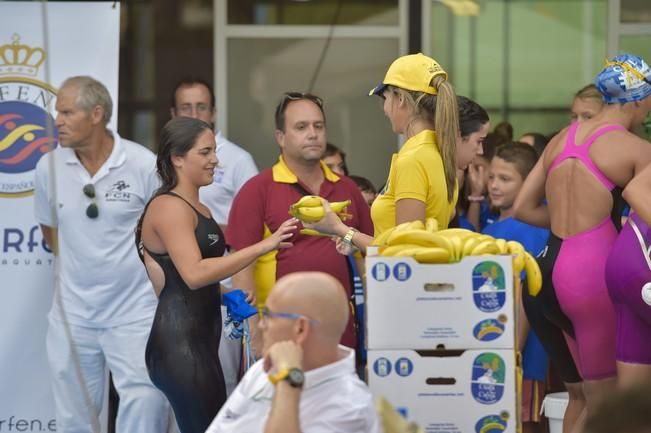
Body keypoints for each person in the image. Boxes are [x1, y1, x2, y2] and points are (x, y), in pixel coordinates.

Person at [136, 117, 297, 433]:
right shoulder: (169, 207)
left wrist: (227, 296)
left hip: (198, 342)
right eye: (206, 152)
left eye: (214, 151)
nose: (215, 161)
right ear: (178, 159)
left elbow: (184, 280)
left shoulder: (200, 208)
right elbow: (194, 274)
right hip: (178, 346)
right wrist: (262, 246)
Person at [513, 53, 651, 421]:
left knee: (579, 400)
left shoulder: (561, 139)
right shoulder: (636, 149)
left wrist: (565, 219)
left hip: (544, 271)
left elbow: (522, 208)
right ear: (638, 100)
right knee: (607, 408)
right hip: (589, 278)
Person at [33, 76, 170, 433]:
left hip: (135, 312)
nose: (57, 120)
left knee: (147, 401)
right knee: (75, 418)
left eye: (66, 111)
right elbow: (52, 235)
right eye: (56, 111)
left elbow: (165, 231)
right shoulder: (47, 168)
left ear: (96, 114)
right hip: (72, 316)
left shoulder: (142, 164)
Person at [226, 92, 373, 349]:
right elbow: (241, 268)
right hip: (278, 338)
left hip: (340, 337)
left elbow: (368, 264)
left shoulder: (347, 190)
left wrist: (376, 328)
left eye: (319, 126)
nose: (313, 134)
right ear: (280, 137)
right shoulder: (257, 190)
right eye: (301, 127)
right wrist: (256, 337)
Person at [307, 53, 464, 251]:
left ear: (400, 99)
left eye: (385, 97)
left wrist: (339, 228)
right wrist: (356, 240)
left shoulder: (413, 160)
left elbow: (403, 254)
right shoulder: (439, 154)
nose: (384, 109)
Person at [205, 272, 381, 433]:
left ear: (301, 329)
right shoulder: (262, 370)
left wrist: (289, 380)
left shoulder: (350, 406)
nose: (261, 325)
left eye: (268, 315)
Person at [170, 77, 258, 395]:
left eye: (201, 107)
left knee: (221, 380)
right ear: (173, 113)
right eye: (186, 107)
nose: (194, 114)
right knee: (177, 383)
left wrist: (203, 230)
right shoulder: (167, 160)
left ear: (214, 112)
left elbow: (253, 224)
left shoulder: (237, 159)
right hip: (172, 289)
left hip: (220, 285)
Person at [481, 143, 549, 433]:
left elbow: (524, 298)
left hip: (524, 357)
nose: (494, 186)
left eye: (505, 179)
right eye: (491, 177)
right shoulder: (492, 228)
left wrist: (512, 358)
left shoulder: (532, 230)